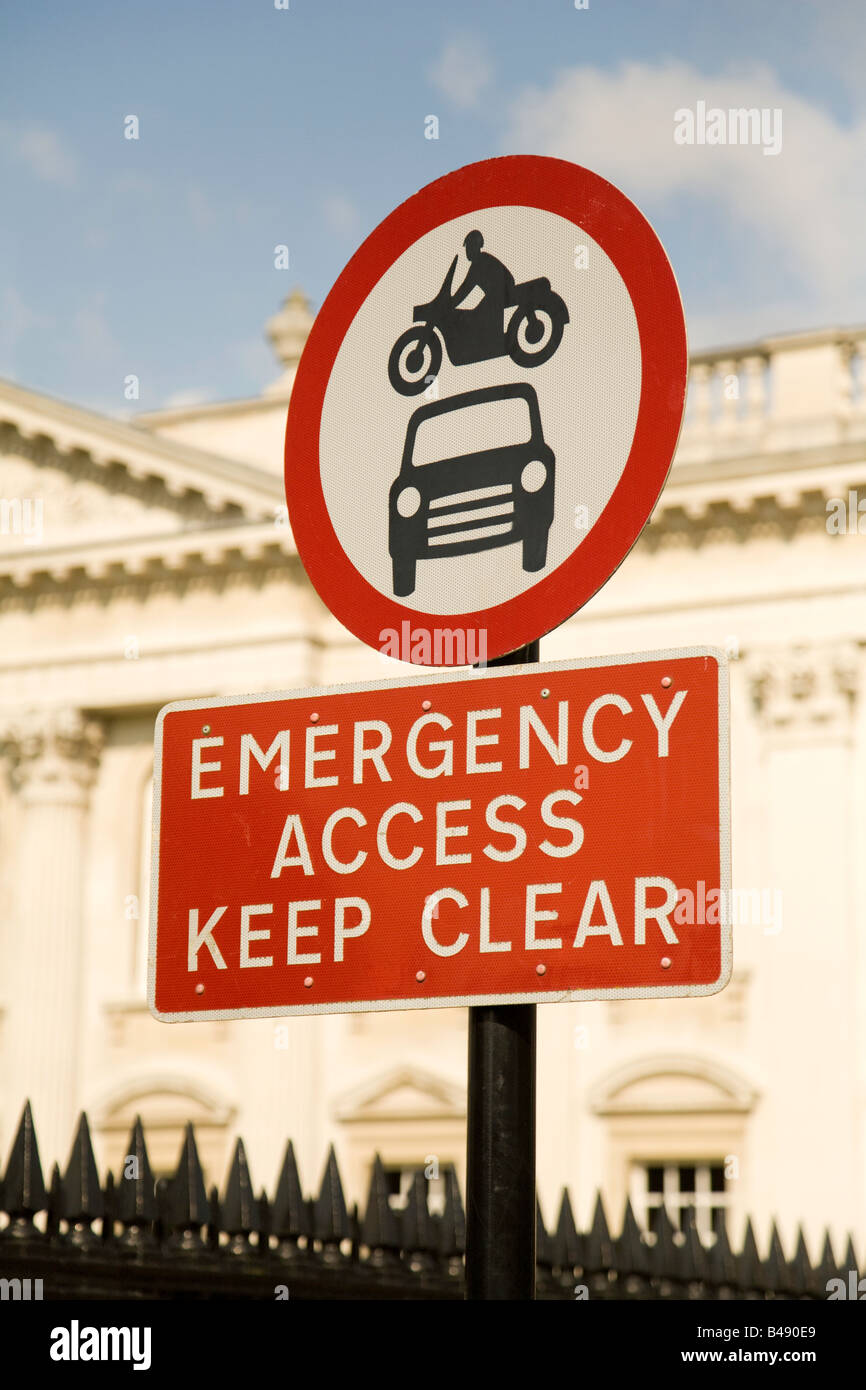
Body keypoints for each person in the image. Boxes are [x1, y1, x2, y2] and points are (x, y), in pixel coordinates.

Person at [449, 231, 516, 356]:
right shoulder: (479, 262)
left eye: (469, 247)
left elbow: (465, 289)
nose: (467, 251)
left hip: (500, 292)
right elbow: (465, 288)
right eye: (467, 248)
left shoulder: (480, 262)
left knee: (478, 314)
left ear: (475, 246)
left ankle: (492, 342)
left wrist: (450, 304)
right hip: (497, 293)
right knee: (481, 310)